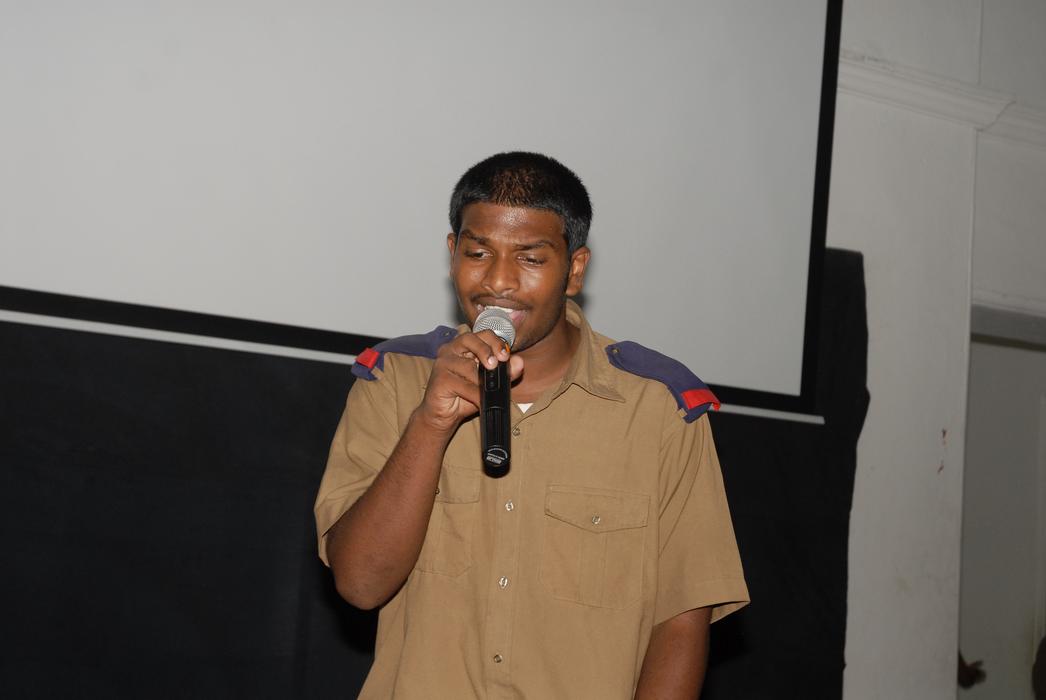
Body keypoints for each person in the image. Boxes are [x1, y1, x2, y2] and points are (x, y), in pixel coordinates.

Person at [314, 151, 749, 699]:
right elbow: (359, 584)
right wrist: (429, 424)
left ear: (575, 270)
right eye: (478, 253)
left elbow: (682, 620)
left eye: (530, 258)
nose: (498, 281)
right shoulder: (395, 381)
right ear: (452, 255)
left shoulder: (658, 408)